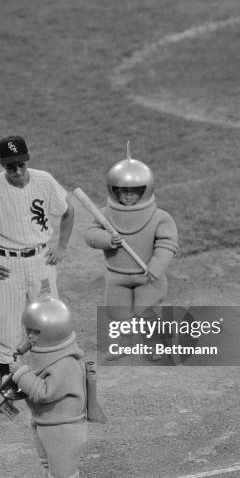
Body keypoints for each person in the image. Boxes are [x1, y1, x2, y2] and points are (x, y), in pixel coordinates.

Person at [0, 135, 74, 380]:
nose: (18, 171)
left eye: (21, 164)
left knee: (49, 320)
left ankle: (51, 372)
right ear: (2, 164)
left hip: (41, 261)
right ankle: (8, 380)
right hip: (7, 266)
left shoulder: (44, 180)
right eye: (12, 166)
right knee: (8, 326)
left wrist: (61, 246)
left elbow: (68, 210)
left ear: (27, 160)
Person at [84, 145, 178, 360]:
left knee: (147, 313)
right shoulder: (106, 214)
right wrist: (108, 239)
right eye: (123, 190)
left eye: (134, 191)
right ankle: (123, 343)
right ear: (113, 190)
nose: (127, 195)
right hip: (116, 275)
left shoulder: (159, 217)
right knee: (118, 313)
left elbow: (167, 244)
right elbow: (90, 234)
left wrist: (156, 266)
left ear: (146, 190)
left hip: (147, 276)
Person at [9, 295, 87, 478]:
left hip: (63, 430)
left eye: (36, 331)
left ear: (54, 331)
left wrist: (21, 375)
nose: (31, 337)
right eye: (29, 330)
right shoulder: (49, 354)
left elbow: (45, 393)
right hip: (46, 423)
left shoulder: (66, 363)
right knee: (48, 469)